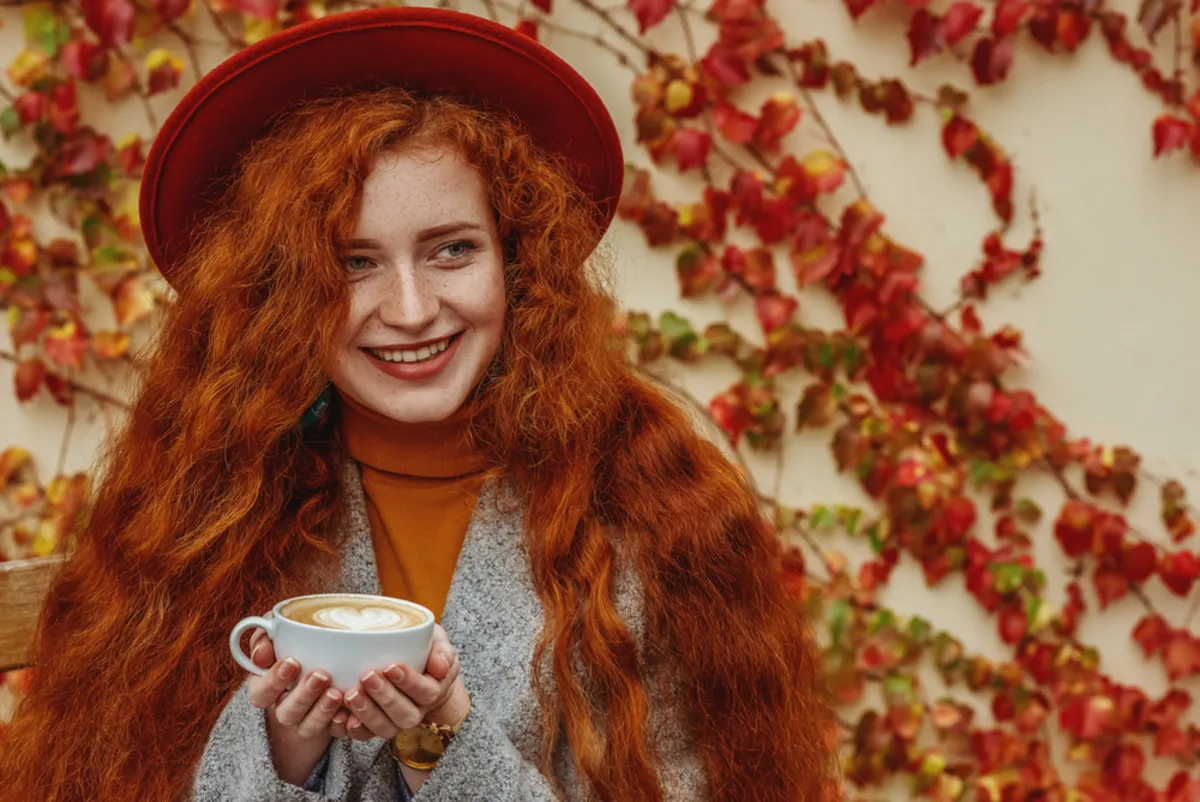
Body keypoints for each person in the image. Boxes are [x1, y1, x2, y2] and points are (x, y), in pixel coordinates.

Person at [0, 7, 839, 801]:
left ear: (517, 262)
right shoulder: (209, 517)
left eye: (451, 250)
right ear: (281, 293)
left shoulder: (652, 516)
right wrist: (287, 761)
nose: (408, 309)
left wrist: (442, 739)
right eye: (353, 262)